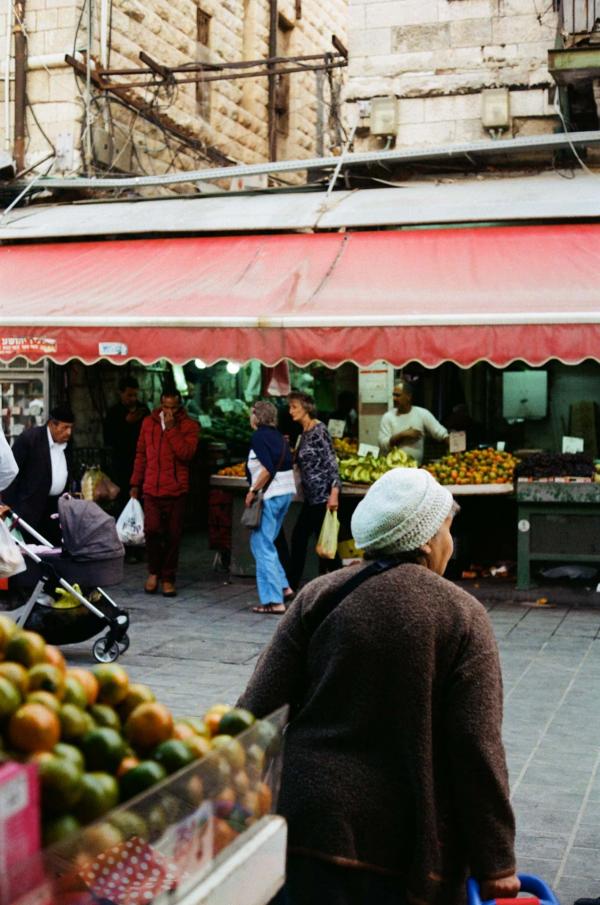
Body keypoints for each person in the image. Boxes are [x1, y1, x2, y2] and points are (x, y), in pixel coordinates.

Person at [238, 467, 519, 905]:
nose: (452, 543)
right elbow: (476, 745)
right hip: (403, 843)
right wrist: (496, 861)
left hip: (306, 824)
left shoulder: (318, 595)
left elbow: (254, 711)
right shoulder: (462, 615)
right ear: (425, 538)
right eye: (448, 529)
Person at [130, 389, 199, 597]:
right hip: (152, 487)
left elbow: (186, 454)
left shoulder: (189, 426)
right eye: (165, 406)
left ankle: (168, 577)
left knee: (173, 535)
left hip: (176, 489)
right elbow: (141, 454)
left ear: (179, 406)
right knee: (151, 531)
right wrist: (135, 483)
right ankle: (153, 572)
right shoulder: (148, 423)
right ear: (160, 404)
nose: (169, 411)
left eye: (173, 407)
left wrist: (171, 430)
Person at [287, 391, 341, 591]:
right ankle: (337, 583)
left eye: (294, 406)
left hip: (322, 496)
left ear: (306, 408)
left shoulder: (319, 430)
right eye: (290, 407)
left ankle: (294, 584)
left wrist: (334, 493)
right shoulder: (304, 433)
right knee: (322, 543)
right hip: (311, 497)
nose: (290, 411)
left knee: (313, 540)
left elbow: (331, 462)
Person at [244, 401, 295, 615]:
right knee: (267, 543)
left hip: (270, 494)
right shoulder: (278, 436)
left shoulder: (259, 437)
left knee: (261, 544)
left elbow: (268, 468)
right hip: (286, 493)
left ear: (256, 417)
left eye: (251, 414)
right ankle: (283, 586)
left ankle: (274, 600)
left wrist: (253, 490)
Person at [3, 404, 74, 546]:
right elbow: (11, 475)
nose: (69, 432)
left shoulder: (67, 444)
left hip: (54, 509)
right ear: (52, 424)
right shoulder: (30, 439)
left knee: (53, 549)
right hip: (29, 509)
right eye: (65, 427)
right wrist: (7, 507)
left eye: (71, 428)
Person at [103, 376, 150, 516]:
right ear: (121, 393)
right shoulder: (114, 412)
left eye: (135, 395)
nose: (133, 398)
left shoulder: (143, 410)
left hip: (142, 461)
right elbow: (108, 439)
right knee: (124, 497)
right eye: (129, 395)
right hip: (121, 463)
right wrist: (125, 424)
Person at [378, 380, 448, 465]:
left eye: (398, 395)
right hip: (394, 470)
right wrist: (403, 435)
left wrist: (454, 446)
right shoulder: (388, 417)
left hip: (416, 468)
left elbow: (440, 432)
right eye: (393, 395)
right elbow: (383, 444)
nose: (394, 398)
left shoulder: (421, 413)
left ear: (408, 396)